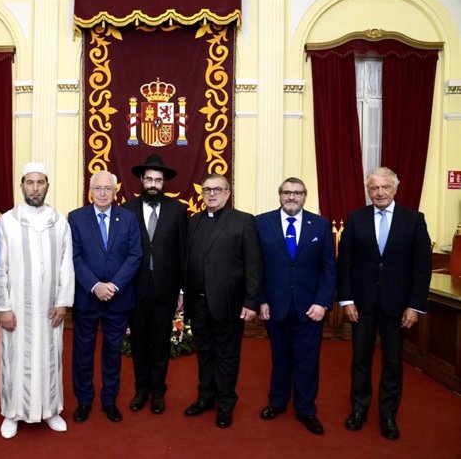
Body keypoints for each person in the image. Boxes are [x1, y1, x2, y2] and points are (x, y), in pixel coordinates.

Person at [337, 166, 431, 440]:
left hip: (398, 306)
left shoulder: (414, 220)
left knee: (392, 361)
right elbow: (345, 263)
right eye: (374, 188)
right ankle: (359, 409)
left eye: (384, 187)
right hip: (362, 305)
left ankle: (388, 415)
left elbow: (421, 267)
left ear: (395, 188)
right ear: (368, 191)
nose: (379, 192)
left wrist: (415, 305)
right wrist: (346, 299)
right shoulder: (356, 218)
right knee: (360, 360)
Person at [0, 162, 75, 439]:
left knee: (51, 357)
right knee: (14, 358)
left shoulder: (60, 221)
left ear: (47, 185)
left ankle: (51, 410)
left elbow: (66, 265)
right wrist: (3, 307)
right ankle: (12, 413)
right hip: (17, 309)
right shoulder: (7, 222)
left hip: (50, 308)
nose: (35, 188)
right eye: (30, 182)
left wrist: (63, 302)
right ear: (22, 185)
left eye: (40, 182)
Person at [256, 177, 336, 435]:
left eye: (297, 193)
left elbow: (328, 269)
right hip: (274, 306)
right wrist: (261, 300)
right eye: (287, 193)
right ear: (279, 195)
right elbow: (254, 267)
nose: (292, 197)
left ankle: (305, 409)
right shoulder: (261, 223)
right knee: (280, 358)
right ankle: (277, 402)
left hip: (310, 308)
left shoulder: (321, 225)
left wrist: (323, 302)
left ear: (305, 196)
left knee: (307, 360)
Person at [183, 173, 262, 428]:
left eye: (218, 189)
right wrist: (184, 294)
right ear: (202, 193)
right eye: (207, 189)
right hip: (198, 304)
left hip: (229, 304)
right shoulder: (193, 221)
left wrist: (251, 302)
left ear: (228, 193)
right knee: (204, 354)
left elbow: (253, 264)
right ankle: (206, 397)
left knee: (227, 356)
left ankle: (226, 403)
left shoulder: (243, 221)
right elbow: (188, 262)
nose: (212, 194)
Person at [68, 170, 142, 423]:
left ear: (115, 191)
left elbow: (135, 255)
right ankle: (84, 401)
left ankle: (109, 400)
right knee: (83, 353)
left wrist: (114, 286)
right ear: (90, 191)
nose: (102, 193)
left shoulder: (129, 218)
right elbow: (74, 257)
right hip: (87, 298)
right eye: (97, 188)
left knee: (113, 353)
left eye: (107, 189)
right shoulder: (76, 218)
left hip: (118, 299)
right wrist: (95, 285)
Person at [122, 154, 187, 414]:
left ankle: (158, 392)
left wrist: (182, 289)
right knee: (138, 343)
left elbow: (183, 252)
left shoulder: (178, 210)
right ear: (141, 180)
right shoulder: (126, 210)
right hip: (135, 289)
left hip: (165, 289)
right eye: (148, 179)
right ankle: (141, 390)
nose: (153, 184)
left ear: (164, 183)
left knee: (160, 344)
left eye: (158, 180)